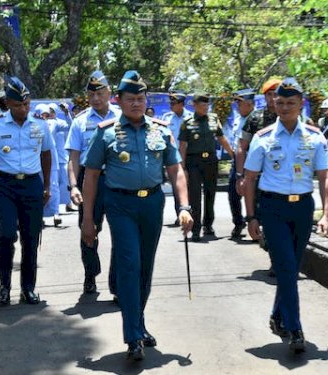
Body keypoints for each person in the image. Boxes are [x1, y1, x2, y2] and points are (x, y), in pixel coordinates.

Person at [81, 70, 193, 360]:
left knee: (145, 268)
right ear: (119, 100)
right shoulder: (105, 132)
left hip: (152, 204)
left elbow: (176, 170)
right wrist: (87, 219)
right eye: (130, 99)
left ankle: (138, 324)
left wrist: (184, 207)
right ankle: (132, 337)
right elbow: (91, 176)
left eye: (141, 99)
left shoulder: (160, 129)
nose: (136, 104)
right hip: (120, 205)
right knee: (129, 265)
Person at [243, 77, 328, 354]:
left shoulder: (315, 137)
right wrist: (251, 217)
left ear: (300, 104)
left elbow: (324, 175)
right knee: (285, 266)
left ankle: (278, 315)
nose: (283, 107)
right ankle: (295, 329)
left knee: (291, 268)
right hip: (273, 208)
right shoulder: (263, 137)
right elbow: (249, 178)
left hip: (303, 208)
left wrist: (326, 214)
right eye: (279, 102)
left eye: (290, 103)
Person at [0, 76, 53, 306]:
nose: (24, 108)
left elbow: (46, 154)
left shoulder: (39, 124)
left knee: (30, 238)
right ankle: (4, 286)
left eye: (27, 104)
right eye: (19, 105)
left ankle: (28, 288)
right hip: (6, 185)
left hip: (32, 184)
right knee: (8, 234)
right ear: (8, 103)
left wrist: (47, 185)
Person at [65, 70, 120, 296]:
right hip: (89, 179)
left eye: (100, 93)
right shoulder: (80, 122)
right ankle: (90, 274)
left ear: (109, 93)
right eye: (91, 94)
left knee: (121, 232)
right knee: (88, 229)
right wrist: (73, 186)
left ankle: (117, 284)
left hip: (117, 178)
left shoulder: (122, 116)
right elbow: (73, 158)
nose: (96, 98)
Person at [178, 92, 235, 242]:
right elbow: (183, 146)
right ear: (195, 106)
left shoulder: (214, 119)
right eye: (202, 105)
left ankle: (208, 225)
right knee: (195, 196)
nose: (205, 107)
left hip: (210, 161)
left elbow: (222, 139)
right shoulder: (187, 122)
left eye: (207, 105)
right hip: (194, 162)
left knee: (210, 194)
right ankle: (195, 229)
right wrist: (182, 167)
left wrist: (233, 154)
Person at [235, 78, 280, 196]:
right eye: (269, 94)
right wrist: (240, 176)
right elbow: (241, 147)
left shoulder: (288, 117)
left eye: (276, 94)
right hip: (258, 174)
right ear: (264, 97)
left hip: (282, 174)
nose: (273, 98)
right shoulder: (255, 117)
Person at [160, 91, 193, 225]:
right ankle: (178, 214)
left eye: (173, 103)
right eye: (170, 103)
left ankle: (191, 214)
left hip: (190, 157)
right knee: (176, 187)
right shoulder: (167, 118)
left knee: (191, 188)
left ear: (181, 104)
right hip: (174, 158)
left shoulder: (191, 117)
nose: (171, 106)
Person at [228, 88, 256, 238]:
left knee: (253, 195)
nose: (237, 107)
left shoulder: (257, 119)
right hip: (237, 162)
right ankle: (238, 223)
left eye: (240, 104)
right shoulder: (238, 119)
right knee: (233, 194)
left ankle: (256, 224)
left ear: (250, 104)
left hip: (252, 163)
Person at [48, 103, 71, 224]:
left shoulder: (58, 122)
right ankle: (42, 214)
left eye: (52, 111)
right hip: (42, 160)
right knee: (47, 186)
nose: (49, 113)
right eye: (48, 111)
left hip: (60, 158)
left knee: (59, 185)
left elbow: (70, 126)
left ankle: (60, 208)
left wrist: (67, 113)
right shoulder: (38, 122)